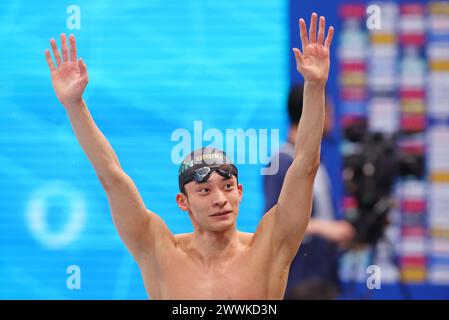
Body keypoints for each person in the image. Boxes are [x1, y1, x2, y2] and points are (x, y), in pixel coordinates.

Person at [44, 13, 334, 299]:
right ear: (183, 202)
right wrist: (74, 104)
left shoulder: (269, 248)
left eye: (228, 187)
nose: (220, 199)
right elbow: (112, 177)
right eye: (205, 191)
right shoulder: (158, 251)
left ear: (240, 192)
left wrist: (315, 85)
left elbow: (306, 166)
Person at [264, 85, 355, 299]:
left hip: (323, 274)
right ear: (313, 113)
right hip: (299, 279)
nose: (332, 119)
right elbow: (276, 222)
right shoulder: (280, 162)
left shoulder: (316, 163)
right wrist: (326, 228)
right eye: (327, 111)